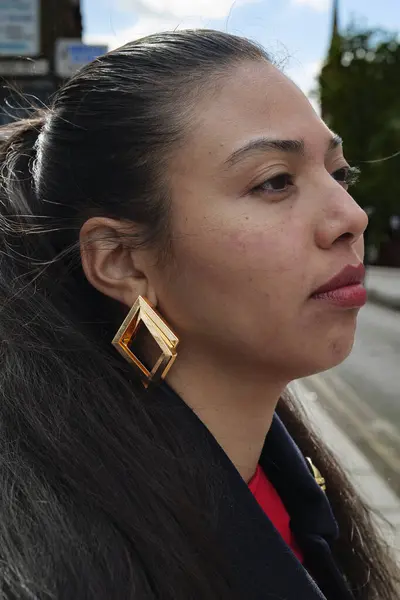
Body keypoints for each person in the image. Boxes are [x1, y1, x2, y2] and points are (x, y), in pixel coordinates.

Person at [0, 29, 398, 600]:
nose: (351, 216)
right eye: (275, 182)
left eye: (338, 175)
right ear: (122, 261)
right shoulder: (67, 566)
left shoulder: (286, 474)